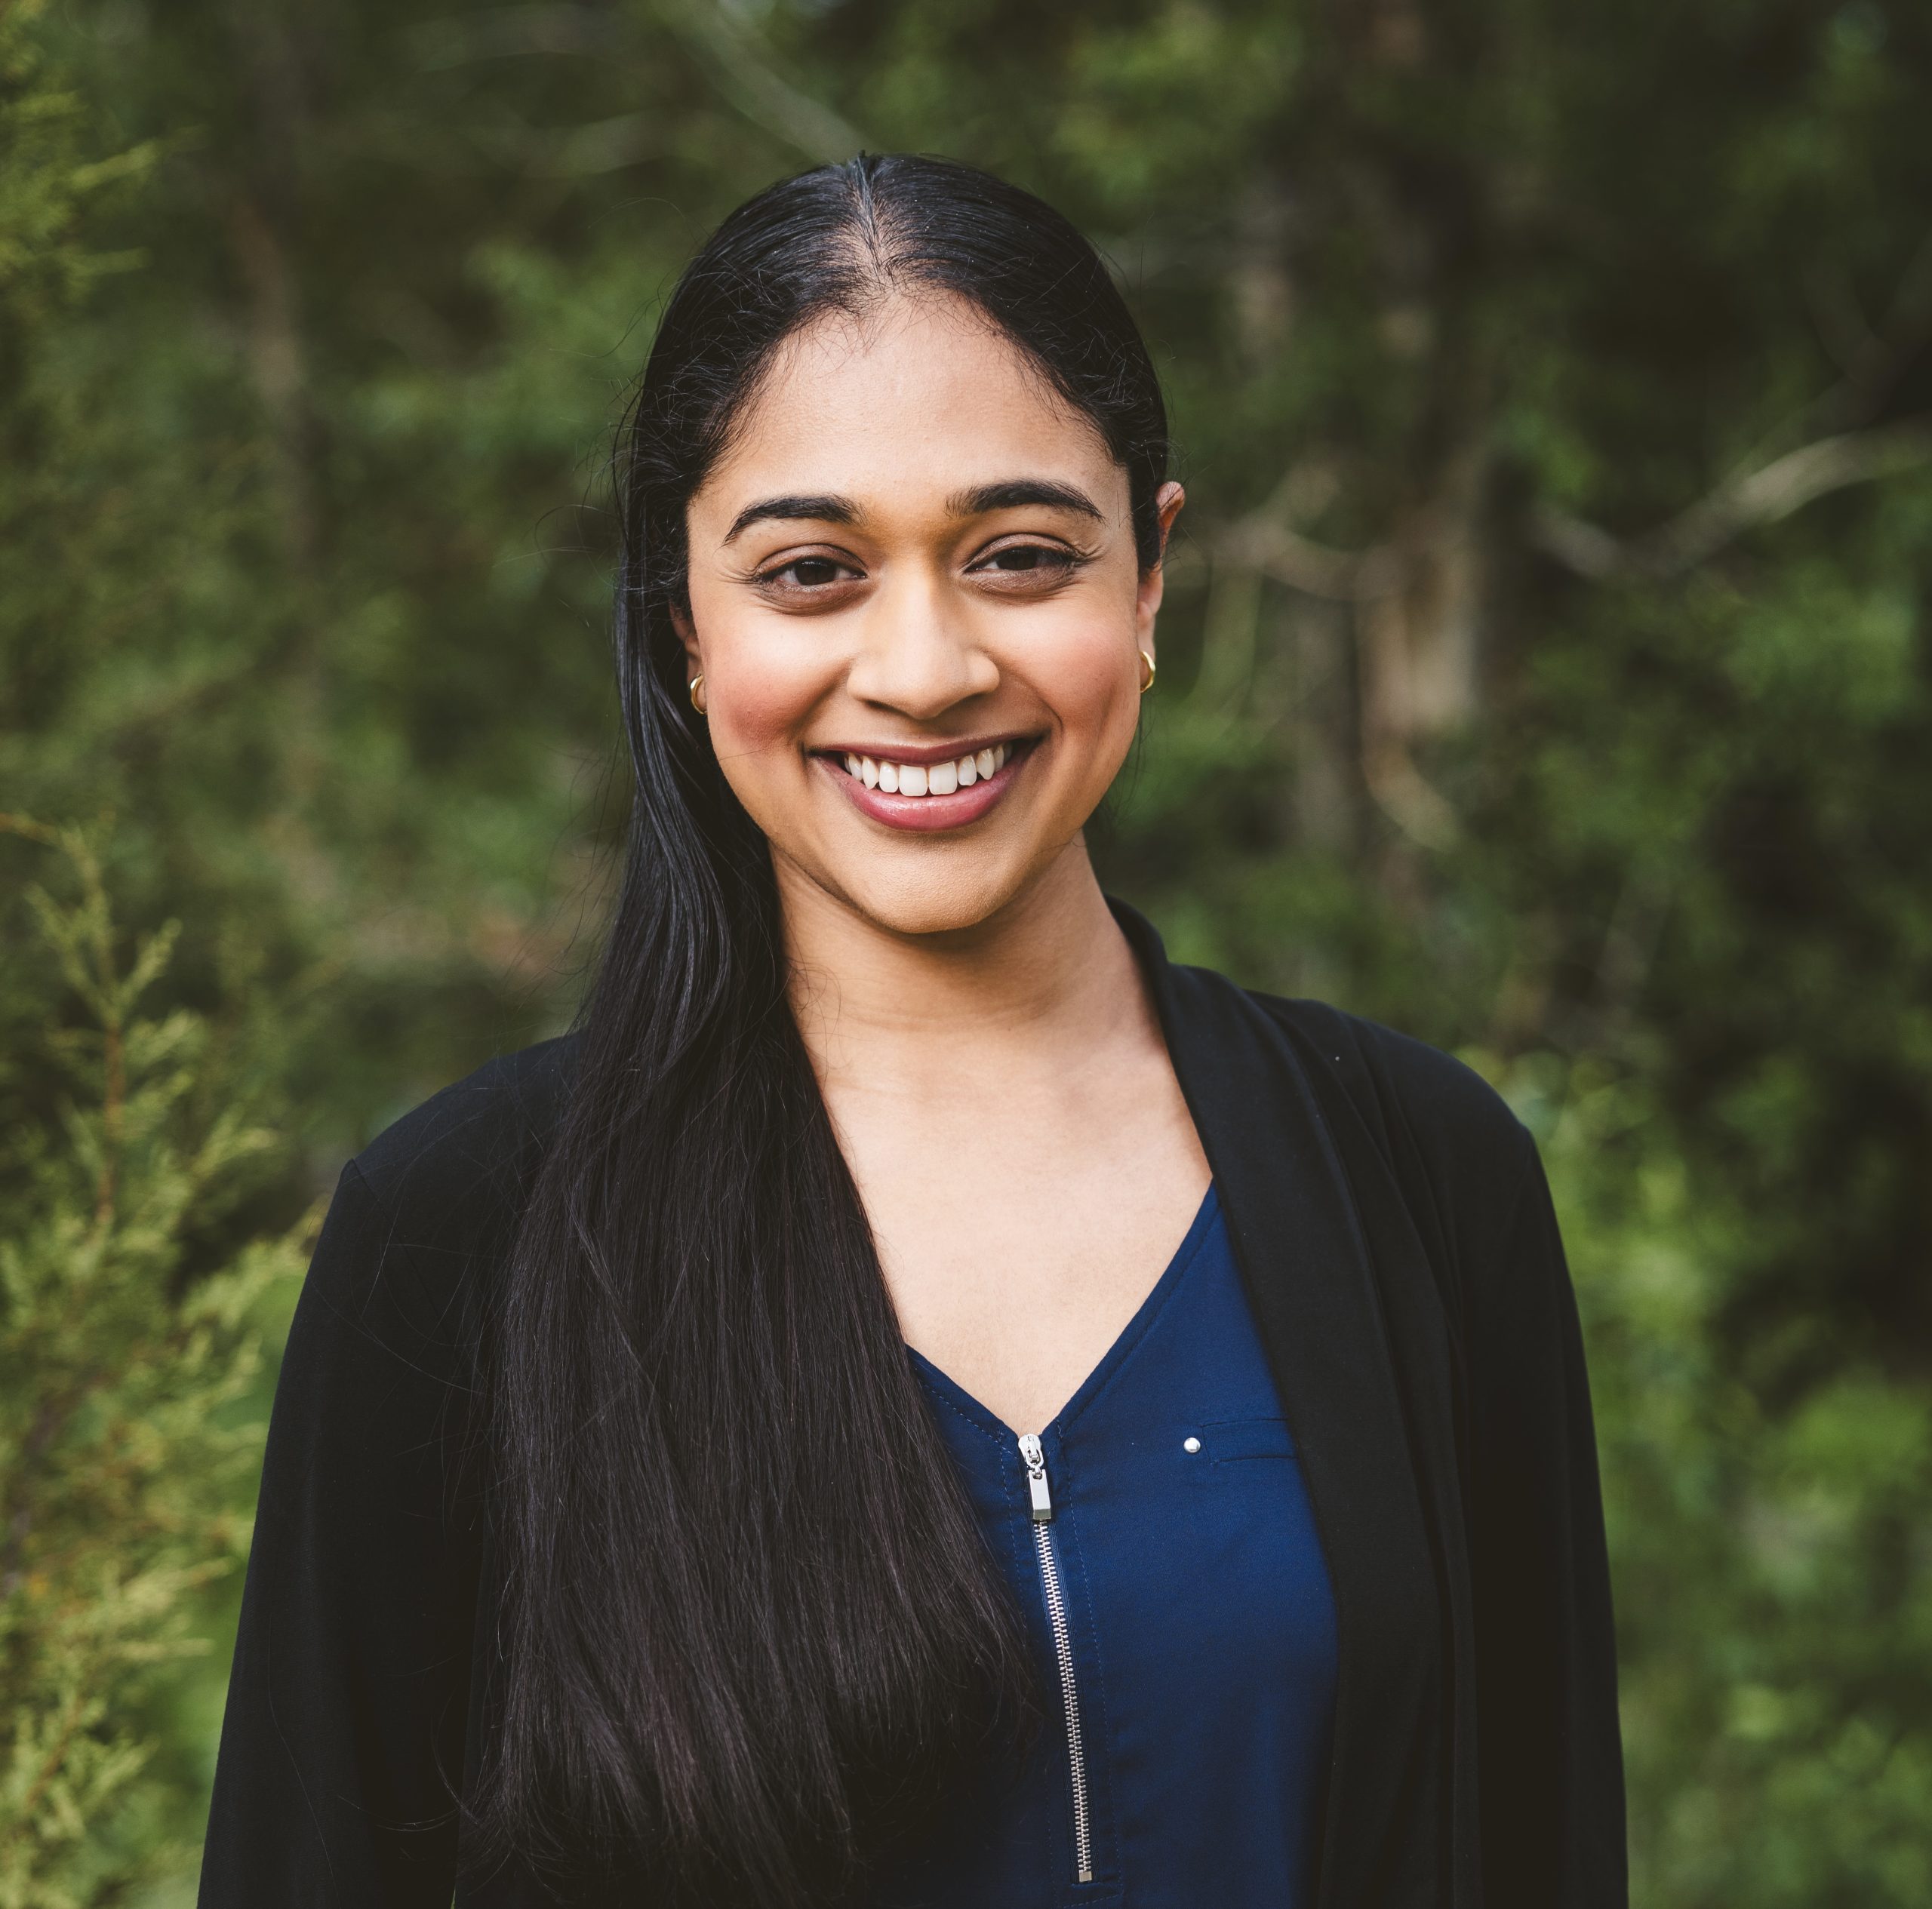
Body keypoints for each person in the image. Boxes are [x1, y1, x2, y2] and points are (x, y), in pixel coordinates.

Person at [198, 153, 1625, 1909]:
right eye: (811, 570)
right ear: (683, 628)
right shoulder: (465, 1232)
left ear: (1151, 578)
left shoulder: (1418, 1177)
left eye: (1019, 555)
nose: (927, 662)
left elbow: (1539, 1840)